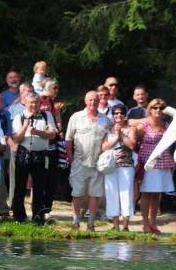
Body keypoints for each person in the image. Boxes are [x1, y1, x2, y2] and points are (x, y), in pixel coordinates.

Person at [66, 91, 111, 231]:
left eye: (96, 100)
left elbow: (109, 140)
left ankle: (91, 223)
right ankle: (75, 221)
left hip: (97, 163)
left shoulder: (106, 120)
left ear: (99, 101)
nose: (93, 102)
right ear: (85, 101)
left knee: (95, 194)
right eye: (90, 100)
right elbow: (68, 139)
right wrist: (71, 157)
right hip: (79, 161)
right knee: (77, 193)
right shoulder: (76, 117)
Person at [12, 92, 56, 223]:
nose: (34, 105)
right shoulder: (19, 117)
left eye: (37, 102)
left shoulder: (47, 116)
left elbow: (52, 135)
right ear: (25, 102)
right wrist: (25, 126)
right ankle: (19, 217)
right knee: (19, 186)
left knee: (39, 187)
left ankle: (38, 217)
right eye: (31, 102)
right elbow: (17, 139)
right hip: (23, 153)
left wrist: (38, 132)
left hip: (41, 154)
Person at [135, 98, 174, 233]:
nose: (158, 110)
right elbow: (134, 137)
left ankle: (153, 223)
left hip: (162, 160)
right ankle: (145, 224)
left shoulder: (166, 125)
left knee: (157, 193)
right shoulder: (144, 124)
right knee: (146, 192)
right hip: (148, 161)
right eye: (155, 107)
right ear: (150, 109)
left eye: (160, 108)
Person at [101, 104, 136, 231]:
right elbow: (104, 147)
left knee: (126, 193)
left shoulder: (130, 129)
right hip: (110, 165)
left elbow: (132, 145)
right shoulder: (108, 129)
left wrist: (121, 134)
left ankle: (126, 225)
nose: (118, 115)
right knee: (111, 193)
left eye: (121, 113)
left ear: (125, 114)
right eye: (116, 113)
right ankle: (115, 225)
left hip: (126, 166)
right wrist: (115, 136)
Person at [39, 79, 64, 220]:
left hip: (53, 152)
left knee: (51, 181)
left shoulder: (52, 115)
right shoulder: (36, 116)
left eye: (47, 104)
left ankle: (47, 208)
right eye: (42, 104)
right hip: (40, 152)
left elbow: (57, 134)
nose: (45, 106)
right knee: (40, 181)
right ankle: (39, 208)